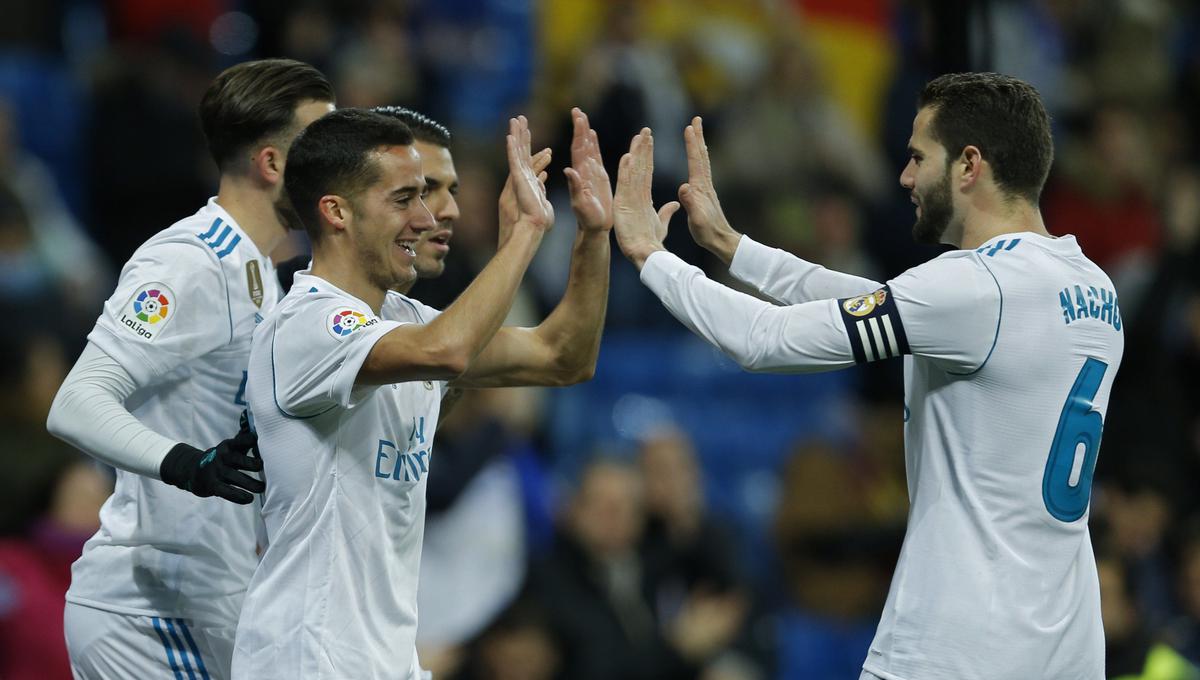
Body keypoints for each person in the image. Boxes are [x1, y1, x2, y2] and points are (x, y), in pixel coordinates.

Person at [610, 72, 1125, 680]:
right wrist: (733, 247)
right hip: (1066, 644)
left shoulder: (974, 287)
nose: (904, 178)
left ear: (969, 165)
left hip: (958, 646)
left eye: (916, 157)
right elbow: (879, 302)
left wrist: (651, 255)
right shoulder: (1092, 287)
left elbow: (762, 339)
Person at [232, 107, 613, 679]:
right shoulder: (308, 324)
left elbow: (564, 357)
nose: (429, 216)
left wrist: (593, 234)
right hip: (306, 659)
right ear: (336, 212)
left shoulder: (406, 319)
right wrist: (524, 235)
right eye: (405, 199)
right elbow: (449, 352)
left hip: (387, 660)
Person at [45, 58, 335, 679]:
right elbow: (76, 401)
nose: (336, 165)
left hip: (208, 601)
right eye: (321, 146)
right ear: (272, 163)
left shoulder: (264, 276)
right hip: (151, 608)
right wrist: (189, 463)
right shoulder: (191, 263)